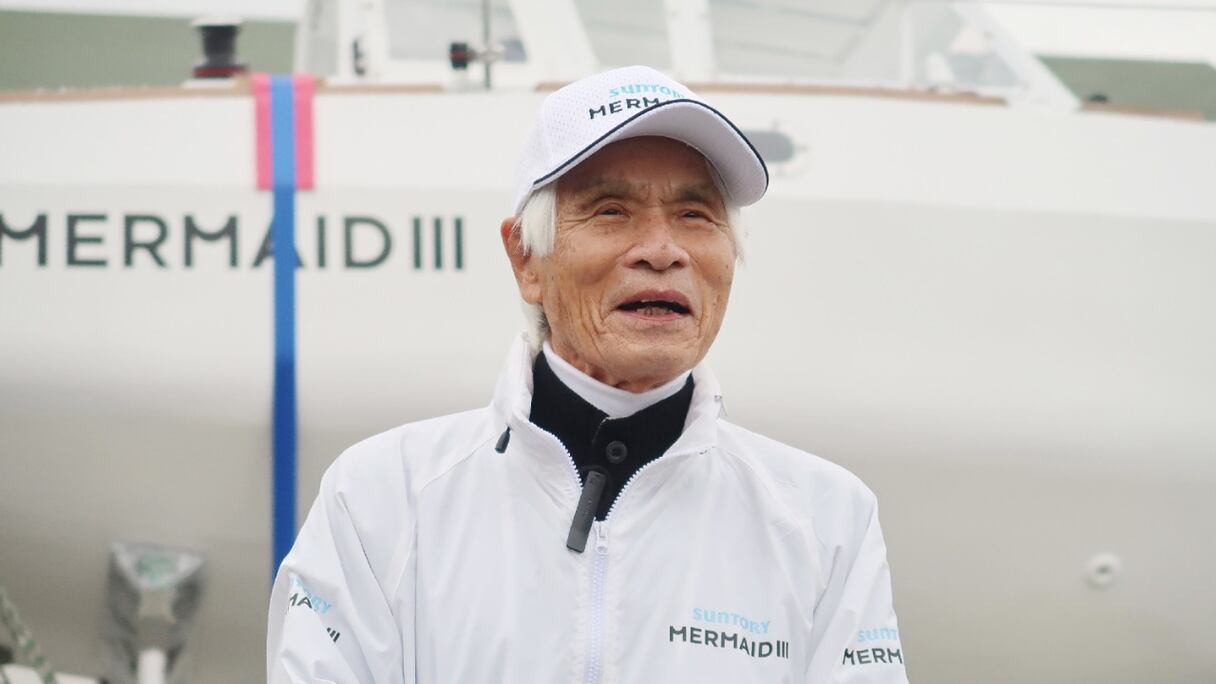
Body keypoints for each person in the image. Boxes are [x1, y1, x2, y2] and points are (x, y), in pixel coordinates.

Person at [267, 65, 908, 683]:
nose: (663, 250)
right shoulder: (383, 499)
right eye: (610, 211)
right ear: (526, 259)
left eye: (696, 215)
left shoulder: (826, 521)